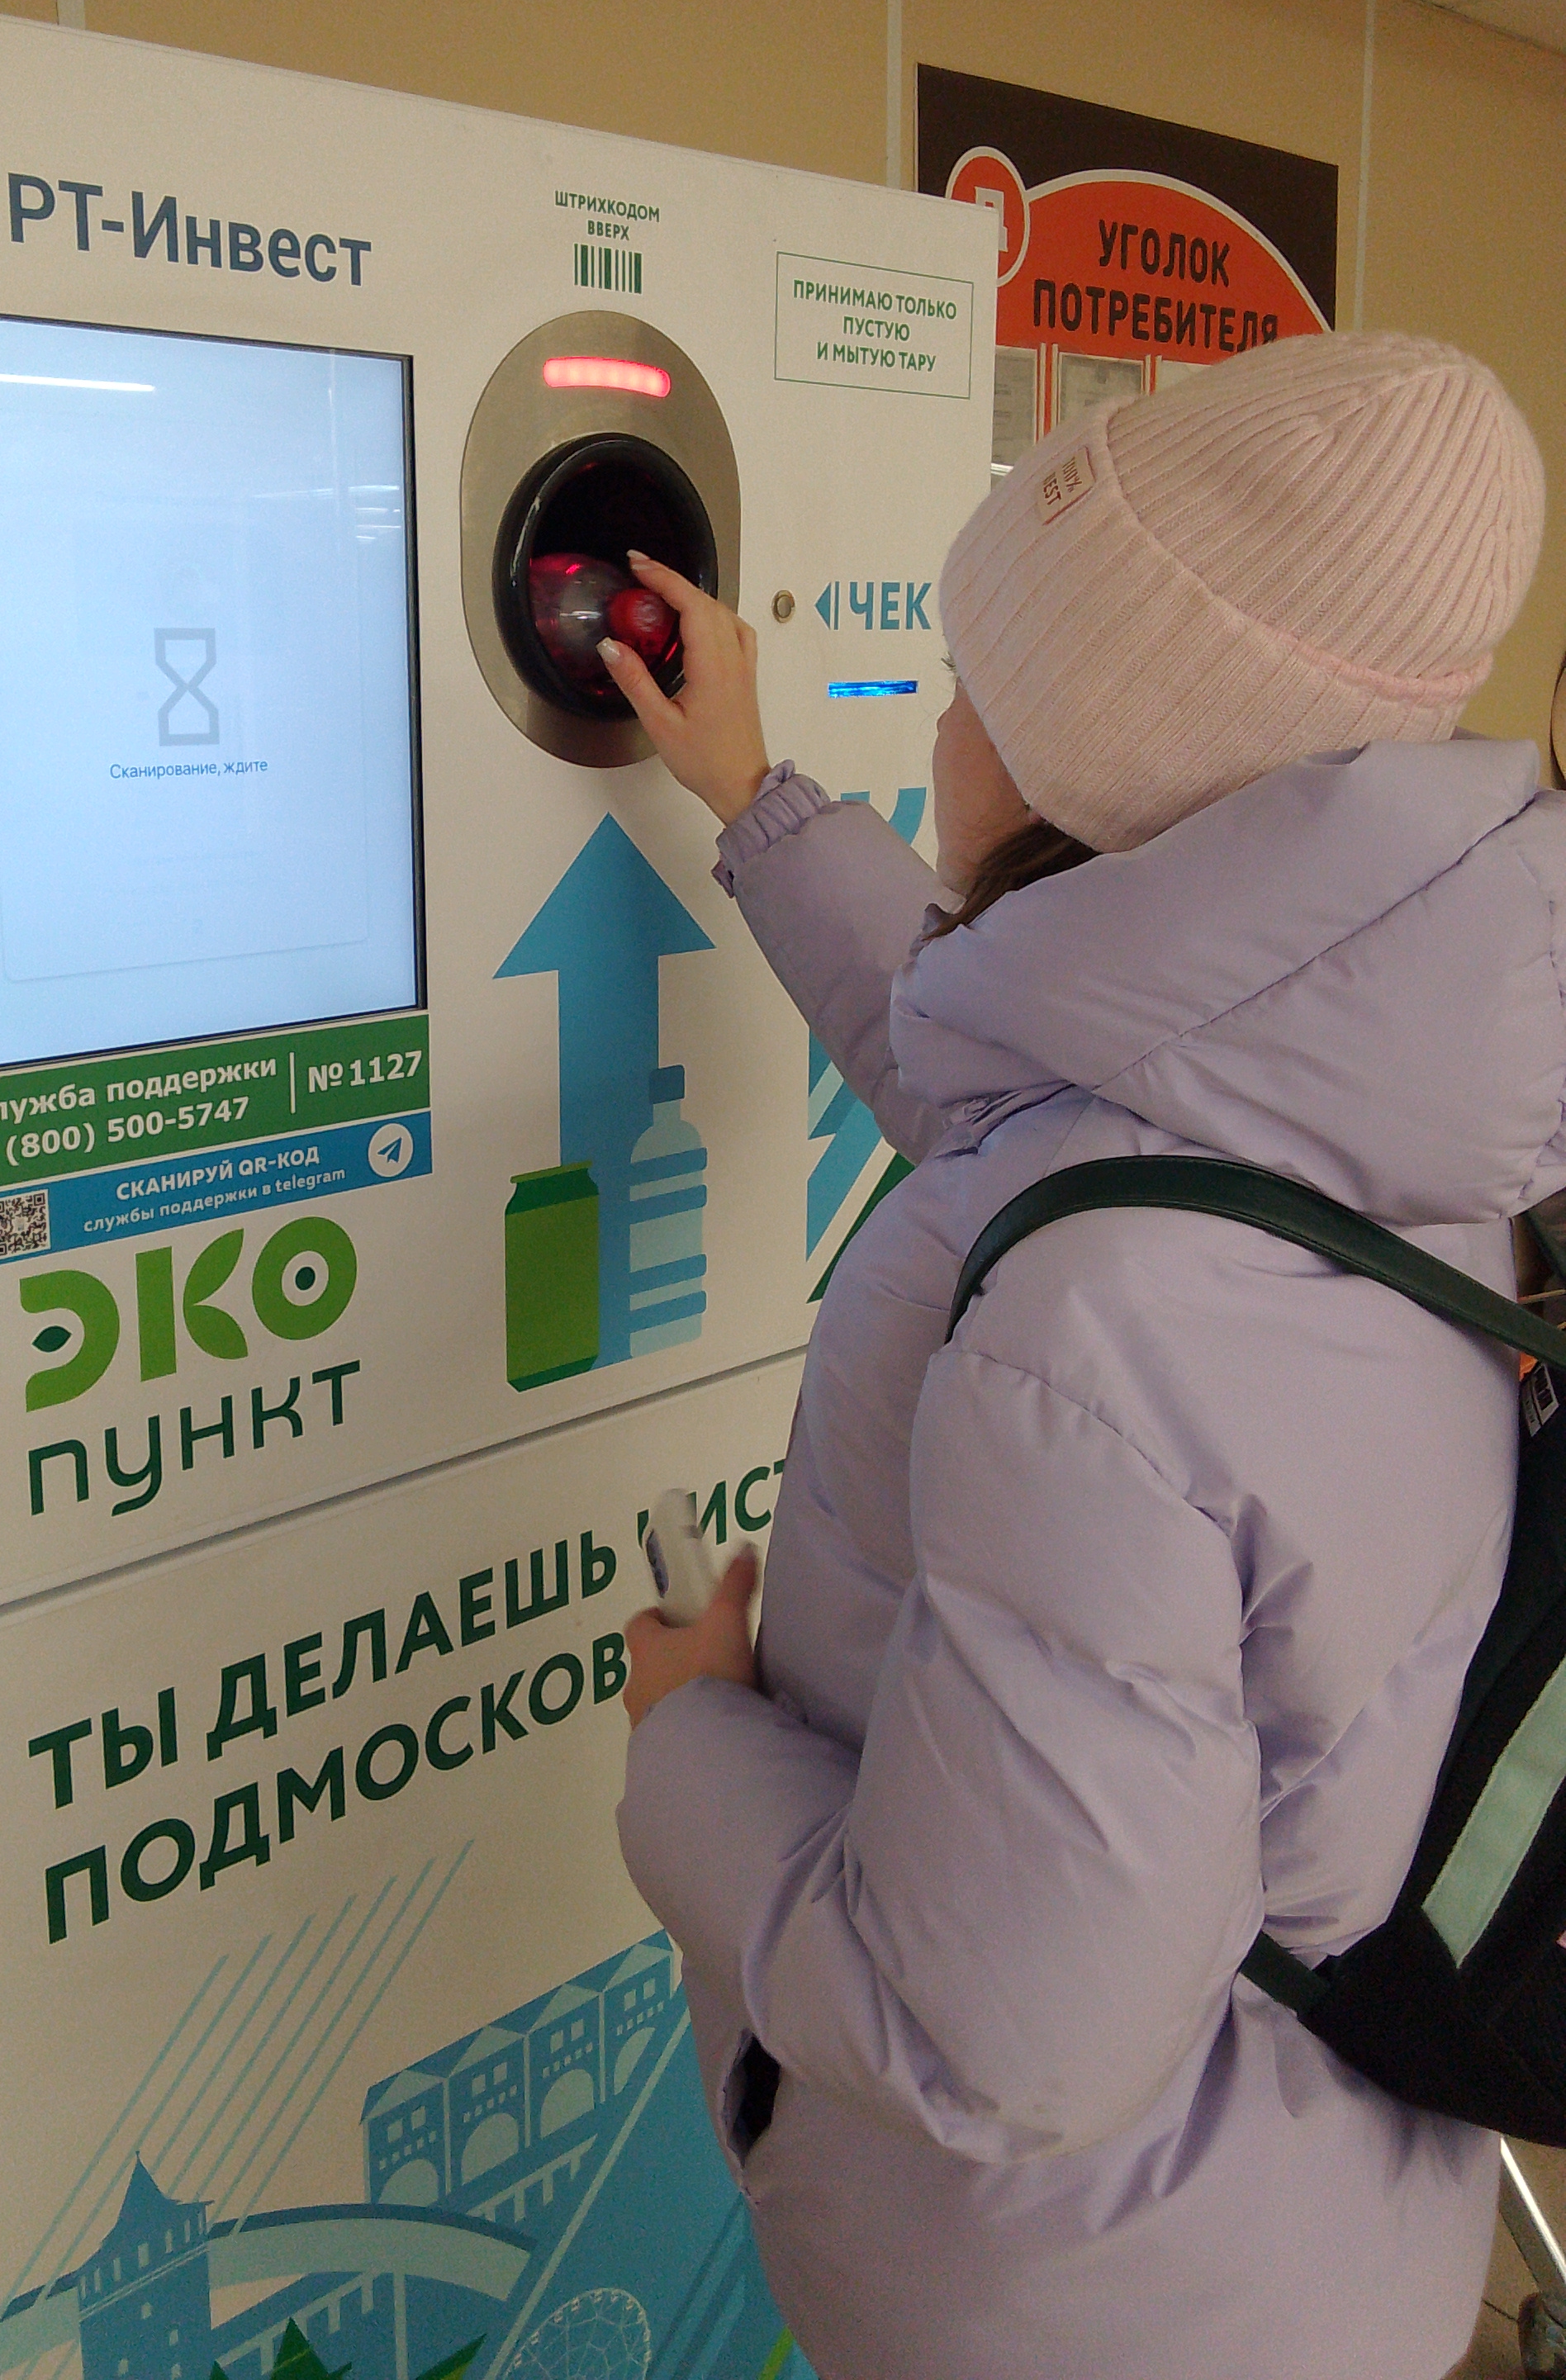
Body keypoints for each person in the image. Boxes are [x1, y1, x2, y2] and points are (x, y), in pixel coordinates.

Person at [601, 331, 1551, 2380]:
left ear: (1093, 766)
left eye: (977, 685)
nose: (944, 718)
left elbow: (989, 2036)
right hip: (1318, 2231)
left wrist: (686, 1745)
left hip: (1086, 2312)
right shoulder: (1382, 1109)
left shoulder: (1095, 1341)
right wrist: (761, 802)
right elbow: (1035, 1098)